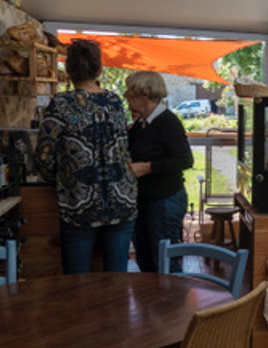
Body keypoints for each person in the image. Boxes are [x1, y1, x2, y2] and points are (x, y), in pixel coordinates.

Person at [35, 39, 137, 274]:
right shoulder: (114, 102)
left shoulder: (60, 104)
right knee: (117, 278)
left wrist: (61, 179)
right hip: (120, 200)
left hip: (79, 203)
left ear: (68, 70)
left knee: (76, 283)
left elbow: (44, 155)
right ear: (99, 69)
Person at [124, 71, 194, 273]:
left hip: (165, 201)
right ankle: (153, 304)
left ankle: (173, 304)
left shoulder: (167, 122)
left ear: (144, 94)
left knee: (165, 264)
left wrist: (146, 167)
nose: (125, 95)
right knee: (146, 261)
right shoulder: (141, 123)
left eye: (130, 91)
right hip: (147, 201)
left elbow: (185, 160)